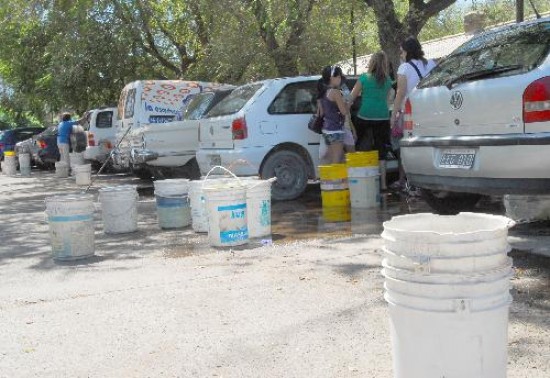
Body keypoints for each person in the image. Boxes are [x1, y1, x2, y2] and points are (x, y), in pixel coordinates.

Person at [390, 36, 436, 192]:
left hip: (411, 113)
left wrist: (394, 115)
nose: (400, 54)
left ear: (407, 51)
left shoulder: (404, 68)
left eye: (402, 51)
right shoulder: (430, 64)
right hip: (431, 112)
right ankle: (429, 183)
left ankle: (411, 184)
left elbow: (400, 93)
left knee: (408, 148)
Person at [349, 51, 393, 191]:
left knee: (361, 146)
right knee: (382, 151)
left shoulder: (364, 78)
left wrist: (344, 110)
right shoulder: (388, 81)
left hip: (365, 115)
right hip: (383, 116)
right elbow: (389, 99)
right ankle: (384, 184)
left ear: (372, 63)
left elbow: (351, 97)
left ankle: (363, 179)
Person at [317, 65, 351, 164]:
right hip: (336, 130)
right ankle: (334, 179)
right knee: (336, 161)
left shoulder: (324, 92)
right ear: (332, 78)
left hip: (327, 130)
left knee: (333, 161)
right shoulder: (335, 92)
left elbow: (323, 112)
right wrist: (349, 103)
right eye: (339, 77)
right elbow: (344, 112)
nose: (340, 79)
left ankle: (330, 179)